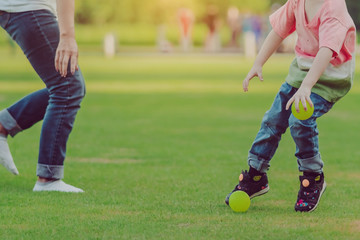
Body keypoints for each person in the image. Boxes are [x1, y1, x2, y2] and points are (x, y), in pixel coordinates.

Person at [225, 0, 355, 212]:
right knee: (273, 119)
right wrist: (258, 63)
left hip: (329, 76)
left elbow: (327, 50)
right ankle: (256, 175)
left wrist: (307, 86)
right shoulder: (297, 2)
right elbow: (278, 31)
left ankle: (312, 177)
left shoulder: (333, 7)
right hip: (301, 73)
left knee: (300, 120)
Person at [0, 0, 85, 192]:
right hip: (28, 8)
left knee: (69, 87)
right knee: (68, 87)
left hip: (23, 9)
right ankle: (48, 179)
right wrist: (67, 36)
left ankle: (2, 125)